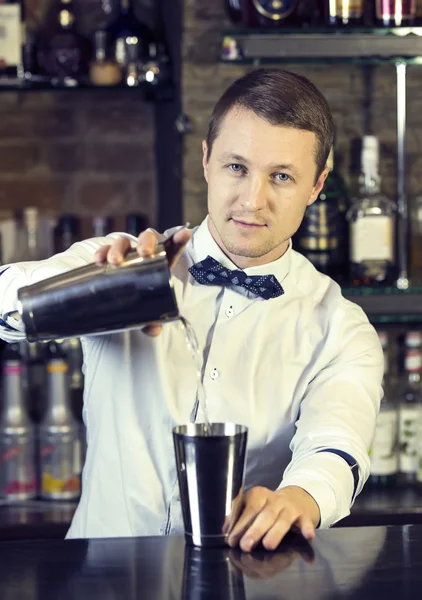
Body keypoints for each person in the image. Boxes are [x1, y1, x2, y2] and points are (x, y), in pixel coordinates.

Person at [0, 68, 383, 552]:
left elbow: (337, 447)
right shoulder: (119, 264)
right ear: (205, 160)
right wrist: (95, 292)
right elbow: (4, 305)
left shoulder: (340, 328)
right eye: (236, 167)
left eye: (281, 177)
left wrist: (300, 497)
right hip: (99, 575)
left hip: (243, 576)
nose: (252, 200)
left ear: (316, 185)